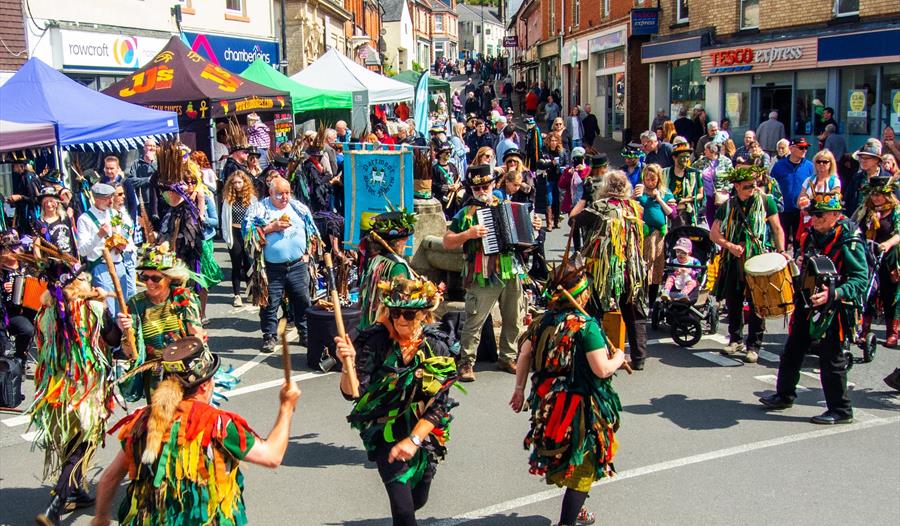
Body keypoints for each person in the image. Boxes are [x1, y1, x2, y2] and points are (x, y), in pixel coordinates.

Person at [92, 340, 301, 525]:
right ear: (205, 386)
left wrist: (101, 518)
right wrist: (286, 407)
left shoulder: (143, 421)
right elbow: (271, 456)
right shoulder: (218, 424)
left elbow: (109, 478)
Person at [510, 259, 625, 526]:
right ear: (581, 294)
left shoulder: (543, 319)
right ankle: (567, 522)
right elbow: (602, 369)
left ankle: (577, 511)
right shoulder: (586, 326)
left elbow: (525, 354)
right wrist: (619, 356)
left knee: (568, 457)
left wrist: (518, 390)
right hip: (579, 408)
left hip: (547, 403)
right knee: (585, 462)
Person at [336, 276, 459, 526]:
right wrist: (345, 365)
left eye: (408, 314)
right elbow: (354, 393)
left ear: (424, 315)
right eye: (395, 313)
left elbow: (438, 403)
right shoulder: (376, 342)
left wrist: (414, 440)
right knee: (404, 513)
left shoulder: (437, 346)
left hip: (424, 430)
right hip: (386, 430)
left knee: (418, 498)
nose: (401, 319)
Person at [759, 191, 867, 425]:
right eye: (812, 214)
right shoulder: (809, 236)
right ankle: (784, 395)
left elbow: (860, 280)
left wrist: (834, 293)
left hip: (835, 307)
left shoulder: (849, 240)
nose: (814, 219)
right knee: (792, 350)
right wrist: (799, 264)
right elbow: (808, 263)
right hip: (807, 302)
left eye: (820, 215)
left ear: (836, 215)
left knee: (831, 359)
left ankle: (841, 410)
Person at [31, 262, 117, 526]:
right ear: (80, 287)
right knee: (85, 441)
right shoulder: (92, 309)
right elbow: (113, 340)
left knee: (71, 437)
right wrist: (112, 315)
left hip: (56, 388)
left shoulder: (45, 311)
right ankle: (55, 504)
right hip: (85, 387)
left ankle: (77, 490)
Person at [443, 165, 541, 380]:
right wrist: (468, 234)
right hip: (482, 272)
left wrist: (533, 226)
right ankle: (466, 362)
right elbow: (447, 242)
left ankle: (508, 357)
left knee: (514, 316)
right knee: (475, 318)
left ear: (493, 184)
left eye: (485, 186)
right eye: (477, 188)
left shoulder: (507, 205)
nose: (482, 191)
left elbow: (526, 241)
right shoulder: (464, 212)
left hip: (511, 269)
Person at [571, 170, 648, 370]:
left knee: (592, 311)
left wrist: (584, 199)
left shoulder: (599, 207)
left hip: (603, 272)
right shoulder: (635, 208)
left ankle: (593, 354)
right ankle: (639, 357)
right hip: (630, 269)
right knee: (633, 312)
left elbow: (573, 221)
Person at [710, 166, 788, 364]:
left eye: (754, 185)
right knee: (733, 300)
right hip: (734, 259)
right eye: (747, 187)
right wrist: (730, 246)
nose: (752, 189)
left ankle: (754, 345)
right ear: (736, 186)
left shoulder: (765, 201)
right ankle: (735, 339)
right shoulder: (727, 206)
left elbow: (777, 228)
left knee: (757, 303)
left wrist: (781, 252)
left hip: (758, 258)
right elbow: (714, 234)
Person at [114, 242, 206, 402]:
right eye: (144, 277)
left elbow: (197, 339)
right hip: (155, 378)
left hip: (186, 374)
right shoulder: (136, 304)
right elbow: (130, 353)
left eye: (156, 278)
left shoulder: (184, 298)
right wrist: (126, 331)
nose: (149, 282)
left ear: (170, 278)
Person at [243, 176, 320, 352]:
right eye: (279, 194)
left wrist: (308, 253)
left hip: (297, 265)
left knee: (302, 300)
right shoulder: (259, 209)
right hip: (271, 267)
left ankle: (305, 333)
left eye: (287, 193)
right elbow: (247, 236)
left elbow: (312, 231)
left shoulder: (298, 208)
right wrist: (271, 228)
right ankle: (269, 336)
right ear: (270, 192)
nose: (284, 197)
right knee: (270, 304)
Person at [851, 176, 900, 346]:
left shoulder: (896, 210)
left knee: (890, 294)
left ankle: (892, 332)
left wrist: (887, 243)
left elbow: (898, 234)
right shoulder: (865, 209)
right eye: (873, 194)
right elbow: (854, 226)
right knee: (868, 290)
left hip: (889, 256)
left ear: (888, 195)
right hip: (868, 254)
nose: (876, 198)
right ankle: (864, 329)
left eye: (879, 194)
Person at [75, 182, 136, 315]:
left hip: (119, 263)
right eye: (108, 198)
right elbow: (83, 251)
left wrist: (122, 244)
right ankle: (114, 334)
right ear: (97, 199)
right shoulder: (85, 219)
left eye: (112, 197)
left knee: (124, 305)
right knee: (110, 307)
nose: (111, 200)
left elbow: (126, 232)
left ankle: (126, 334)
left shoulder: (114, 214)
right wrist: (99, 235)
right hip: (101, 266)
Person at [358, 209, 415, 331]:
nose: (406, 242)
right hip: (387, 330)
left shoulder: (374, 259)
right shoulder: (397, 266)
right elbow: (401, 303)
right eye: (405, 239)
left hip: (369, 325)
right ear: (399, 241)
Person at [636, 164, 676, 306]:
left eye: (653, 180)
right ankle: (640, 299)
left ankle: (652, 303)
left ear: (658, 179)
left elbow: (673, 214)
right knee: (642, 267)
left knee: (656, 267)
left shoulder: (665, 192)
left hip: (658, 236)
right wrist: (637, 197)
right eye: (647, 179)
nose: (650, 183)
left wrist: (659, 199)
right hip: (643, 235)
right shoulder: (639, 191)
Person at [221, 170, 257, 307]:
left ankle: (250, 291)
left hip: (247, 233)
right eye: (234, 182)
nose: (236, 185)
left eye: (239, 182)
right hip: (234, 232)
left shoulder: (252, 199)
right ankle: (237, 295)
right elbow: (224, 220)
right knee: (236, 264)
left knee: (249, 263)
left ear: (245, 183)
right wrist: (226, 237)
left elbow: (256, 218)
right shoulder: (228, 200)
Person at [770, 138, 814, 248]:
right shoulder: (779, 166)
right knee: (782, 241)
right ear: (791, 149)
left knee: (800, 242)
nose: (804, 150)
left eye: (806, 148)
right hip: (783, 210)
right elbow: (771, 185)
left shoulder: (810, 166)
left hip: (802, 211)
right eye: (801, 147)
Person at [0, 231, 35, 364]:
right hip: (9, 315)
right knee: (27, 330)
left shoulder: (26, 267)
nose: (14, 251)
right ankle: (20, 357)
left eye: (16, 247)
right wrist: (3, 289)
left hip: (30, 310)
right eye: (10, 249)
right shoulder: (2, 271)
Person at [797, 150, 842, 242]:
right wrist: (803, 203)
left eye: (825, 162)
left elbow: (834, 203)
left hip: (824, 222)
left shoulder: (834, 181)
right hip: (807, 220)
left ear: (831, 164)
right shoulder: (809, 180)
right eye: (818, 161)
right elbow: (799, 202)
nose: (821, 164)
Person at [662, 142, 704, 227]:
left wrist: (685, 200)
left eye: (687, 157)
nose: (686, 159)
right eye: (682, 157)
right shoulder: (664, 173)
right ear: (674, 157)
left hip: (687, 212)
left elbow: (700, 195)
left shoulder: (694, 173)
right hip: (668, 211)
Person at [845, 139, 890, 216]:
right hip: (855, 224)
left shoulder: (888, 179)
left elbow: (894, 204)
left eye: (866, 158)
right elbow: (847, 201)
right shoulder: (856, 178)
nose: (863, 161)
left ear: (876, 160)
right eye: (861, 158)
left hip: (879, 223)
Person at [693, 142, 734, 226]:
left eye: (706, 150)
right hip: (707, 194)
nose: (704, 152)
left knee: (722, 215)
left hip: (721, 193)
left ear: (712, 151)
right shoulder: (702, 161)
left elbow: (732, 177)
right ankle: (712, 231)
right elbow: (692, 169)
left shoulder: (726, 161)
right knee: (710, 214)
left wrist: (727, 188)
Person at [34, 187, 76, 259]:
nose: (49, 204)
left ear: (57, 203)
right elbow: (36, 246)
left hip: (71, 261)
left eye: (51, 201)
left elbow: (74, 239)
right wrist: (39, 263)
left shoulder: (66, 218)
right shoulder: (39, 223)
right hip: (53, 265)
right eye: (46, 202)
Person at [536, 135, 567, 229]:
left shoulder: (562, 152)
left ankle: (556, 221)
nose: (553, 142)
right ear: (548, 142)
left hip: (558, 178)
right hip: (548, 178)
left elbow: (567, 163)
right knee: (549, 200)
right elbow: (540, 164)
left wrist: (563, 168)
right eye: (551, 140)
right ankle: (549, 223)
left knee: (558, 200)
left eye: (555, 140)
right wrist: (551, 163)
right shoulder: (544, 152)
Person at [431, 142, 462, 219]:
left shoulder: (452, 166)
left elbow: (459, 180)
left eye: (450, 152)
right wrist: (447, 187)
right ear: (440, 154)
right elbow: (433, 185)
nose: (449, 154)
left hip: (454, 199)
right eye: (446, 153)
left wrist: (457, 185)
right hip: (442, 200)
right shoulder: (435, 169)